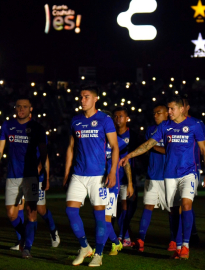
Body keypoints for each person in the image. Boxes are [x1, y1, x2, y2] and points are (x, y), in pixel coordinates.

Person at [120, 96, 205, 260]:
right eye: (168, 109)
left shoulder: (194, 125)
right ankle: (178, 247)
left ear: (181, 109)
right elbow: (149, 144)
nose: (169, 112)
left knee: (186, 205)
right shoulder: (165, 126)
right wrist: (130, 155)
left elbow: (204, 150)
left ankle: (185, 245)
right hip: (170, 175)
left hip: (189, 173)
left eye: (172, 109)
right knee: (174, 210)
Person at [63, 86, 119, 267]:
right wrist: (66, 173)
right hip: (78, 174)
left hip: (98, 176)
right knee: (70, 211)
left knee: (99, 217)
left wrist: (111, 172)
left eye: (86, 97)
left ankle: (99, 253)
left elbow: (115, 146)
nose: (82, 100)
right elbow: (71, 148)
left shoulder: (105, 119)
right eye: (81, 97)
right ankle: (85, 246)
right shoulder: (76, 120)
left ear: (95, 99)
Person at [0, 97, 48, 259]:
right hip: (12, 176)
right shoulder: (8, 125)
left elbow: (44, 154)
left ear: (31, 109)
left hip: (31, 177)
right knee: (11, 214)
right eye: (18, 106)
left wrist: (46, 175)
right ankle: (26, 237)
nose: (21, 109)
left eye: (25, 107)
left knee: (31, 213)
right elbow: (0, 146)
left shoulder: (37, 128)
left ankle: (27, 247)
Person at [133, 104, 169, 252]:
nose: (155, 115)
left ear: (167, 113)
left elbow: (171, 150)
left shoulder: (173, 129)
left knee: (173, 210)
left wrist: (151, 146)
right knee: (148, 206)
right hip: (153, 175)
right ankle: (140, 239)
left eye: (158, 113)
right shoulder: (150, 130)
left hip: (169, 177)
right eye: (154, 113)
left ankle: (175, 240)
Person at [181, 95, 205, 244]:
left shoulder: (197, 123)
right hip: (173, 170)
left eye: (183, 106)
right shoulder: (170, 123)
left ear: (187, 108)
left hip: (191, 168)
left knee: (186, 203)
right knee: (178, 205)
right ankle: (181, 236)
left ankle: (190, 234)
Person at [102, 110, 133, 256]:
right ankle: (114, 242)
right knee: (99, 217)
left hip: (113, 183)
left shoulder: (118, 142)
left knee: (105, 218)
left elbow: (125, 162)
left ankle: (112, 243)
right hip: (97, 182)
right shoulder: (96, 139)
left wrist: (130, 182)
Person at [113, 107, 140, 246]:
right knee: (116, 209)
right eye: (116, 116)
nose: (118, 119)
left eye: (121, 116)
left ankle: (125, 236)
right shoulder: (110, 135)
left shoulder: (134, 136)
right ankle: (122, 237)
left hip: (128, 177)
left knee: (126, 208)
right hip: (113, 177)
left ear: (127, 118)